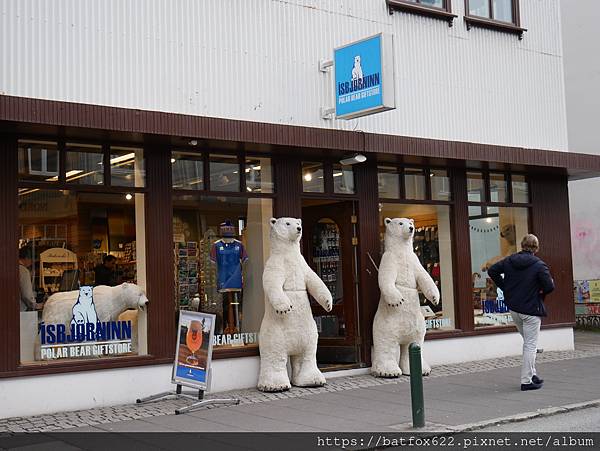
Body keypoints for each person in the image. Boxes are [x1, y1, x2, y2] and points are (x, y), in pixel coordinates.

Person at [488, 234, 555, 391]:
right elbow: (549, 287)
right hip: (531, 310)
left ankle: (532, 374)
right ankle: (526, 381)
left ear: (522, 245)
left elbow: (492, 270)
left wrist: (505, 287)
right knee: (530, 346)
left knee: (528, 344)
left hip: (514, 308)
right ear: (536, 248)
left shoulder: (510, 260)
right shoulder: (539, 265)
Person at [19, 246, 42, 311]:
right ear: (27, 258)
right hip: (20, 310)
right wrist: (36, 305)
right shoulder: (23, 271)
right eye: (32, 260)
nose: (32, 263)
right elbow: (27, 295)